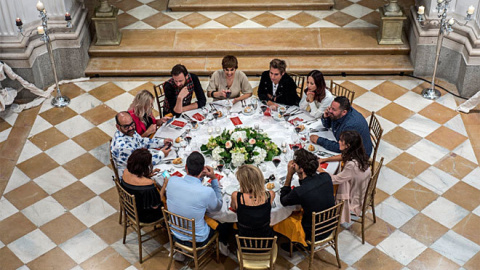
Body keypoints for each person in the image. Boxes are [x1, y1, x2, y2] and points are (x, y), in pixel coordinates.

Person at [165, 152, 229, 257]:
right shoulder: (206, 192)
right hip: (197, 240)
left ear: (186, 167)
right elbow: (218, 207)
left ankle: (180, 251)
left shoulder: (172, 180)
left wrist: (199, 177)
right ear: (202, 169)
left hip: (174, 233)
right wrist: (214, 179)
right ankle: (223, 245)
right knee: (222, 223)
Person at [280, 149, 335, 242]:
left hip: (313, 232)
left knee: (282, 220)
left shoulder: (300, 191)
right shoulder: (326, 177)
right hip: (331, 224)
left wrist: (289, 174)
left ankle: (297, 243)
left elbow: (283, 201)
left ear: (301, 169)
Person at [318, 130, 371, 224]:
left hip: (354, 194)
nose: (338, 141)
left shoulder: (352, 165)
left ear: (347, 145)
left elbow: (336, 180)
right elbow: (343, 156)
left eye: (341, 140)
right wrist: (325, 159)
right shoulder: (359, 153)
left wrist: (320, 170)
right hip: (361, 185)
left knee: (324, 191)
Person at [111, 111, 172, 178]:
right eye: (126, 126)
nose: (131, 128)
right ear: (118, 127)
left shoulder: (128, 132)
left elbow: (142, 141)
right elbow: (143, 163)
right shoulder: (123, 147)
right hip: (133, 176)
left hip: (139, 163)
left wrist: (161, 142)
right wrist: (162, 154)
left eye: (132, 124)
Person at [230, 165, 275, 238]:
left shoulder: (236, 196)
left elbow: (233, 207)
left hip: (244, 242)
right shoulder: (270, 194)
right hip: (266, 241)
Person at [121, 148, 163, 223]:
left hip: (130, 209)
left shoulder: (125, 171)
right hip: (145, 216)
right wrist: (165, 185)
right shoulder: (148, 184)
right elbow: (155, 205)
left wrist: (146, 175)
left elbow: (136, 178)